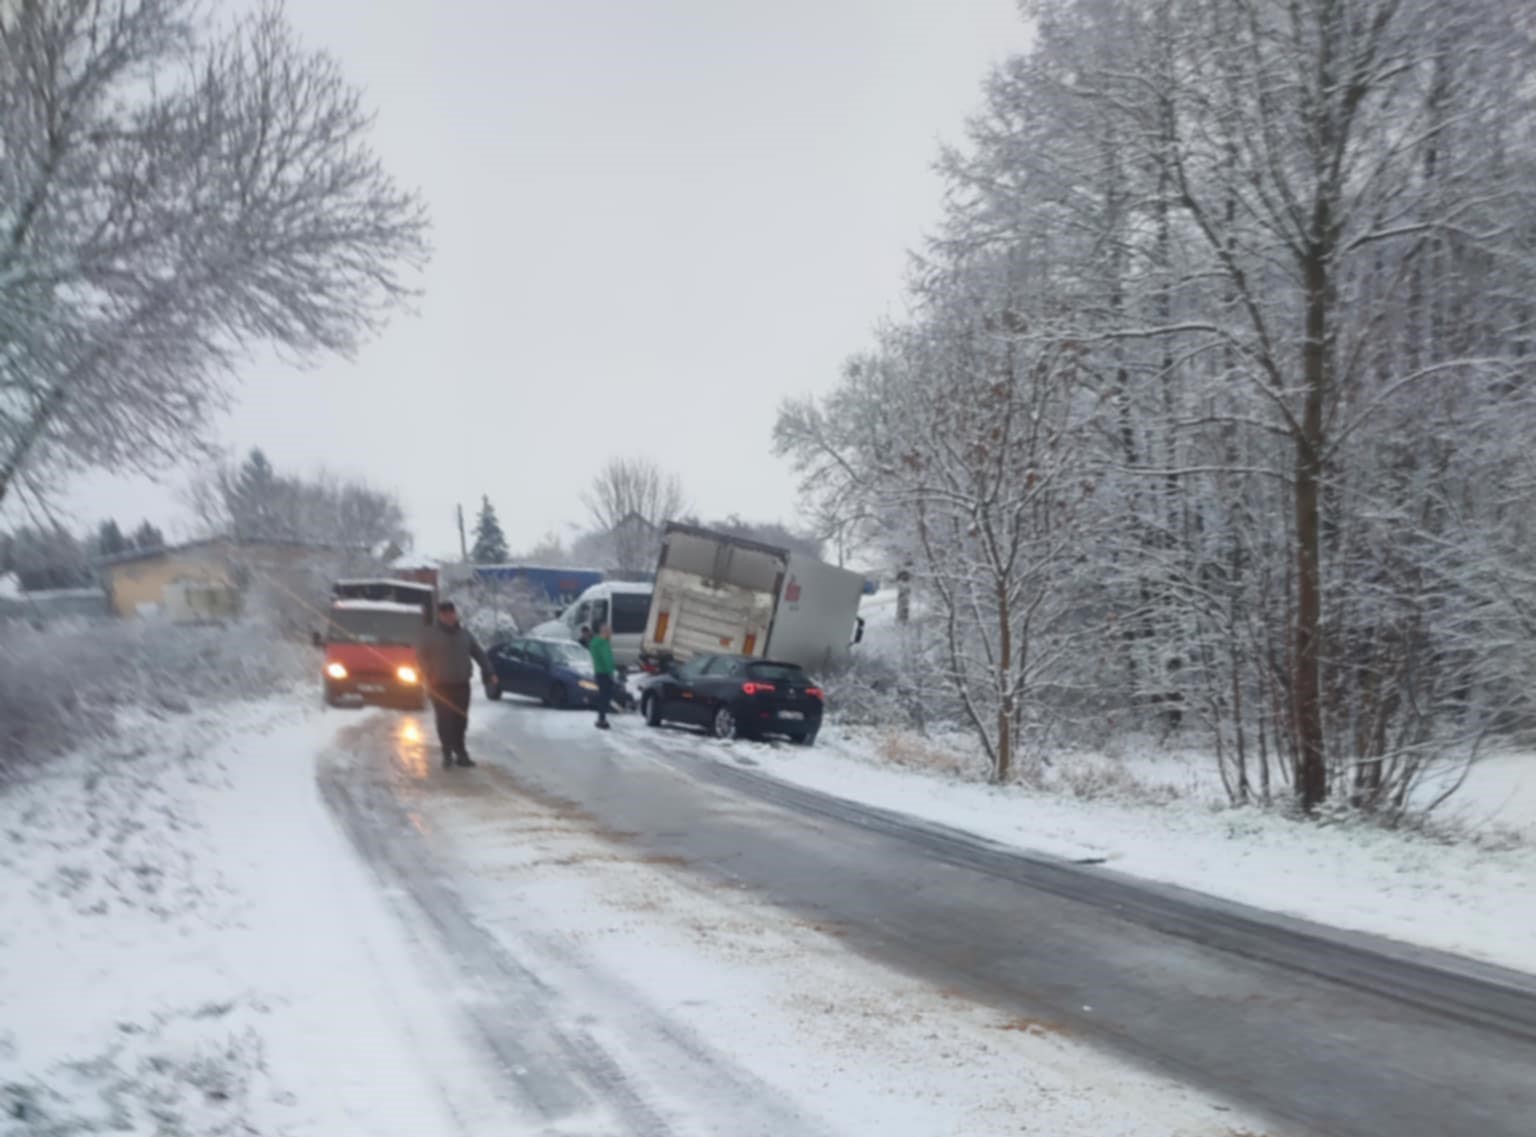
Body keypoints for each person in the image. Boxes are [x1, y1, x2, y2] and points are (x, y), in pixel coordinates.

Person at [417, 601, 496, 767]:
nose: (449, 616)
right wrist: (428, 671)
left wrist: (489, 671)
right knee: (445, 720)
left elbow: (479, 654)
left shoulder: (465, 635)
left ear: (455, 614)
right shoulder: (430, 634)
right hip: (439, 685)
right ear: (440, 616)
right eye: (445, 614)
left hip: (461, 684)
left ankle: (461, 752)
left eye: (451, 613)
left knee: (460, 720)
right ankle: (447, 753)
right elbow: (420, 656)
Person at [588, 622, 616, 730]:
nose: (611, 634)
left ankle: (601, 718)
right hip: (605, 673)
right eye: (609, 632)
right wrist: (611, 672)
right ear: (604, 632)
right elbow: (607, 658)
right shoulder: (603, 643)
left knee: (602, 696)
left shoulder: (595, 643)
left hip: (598, 672)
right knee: (605, 697)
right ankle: (602, 719)